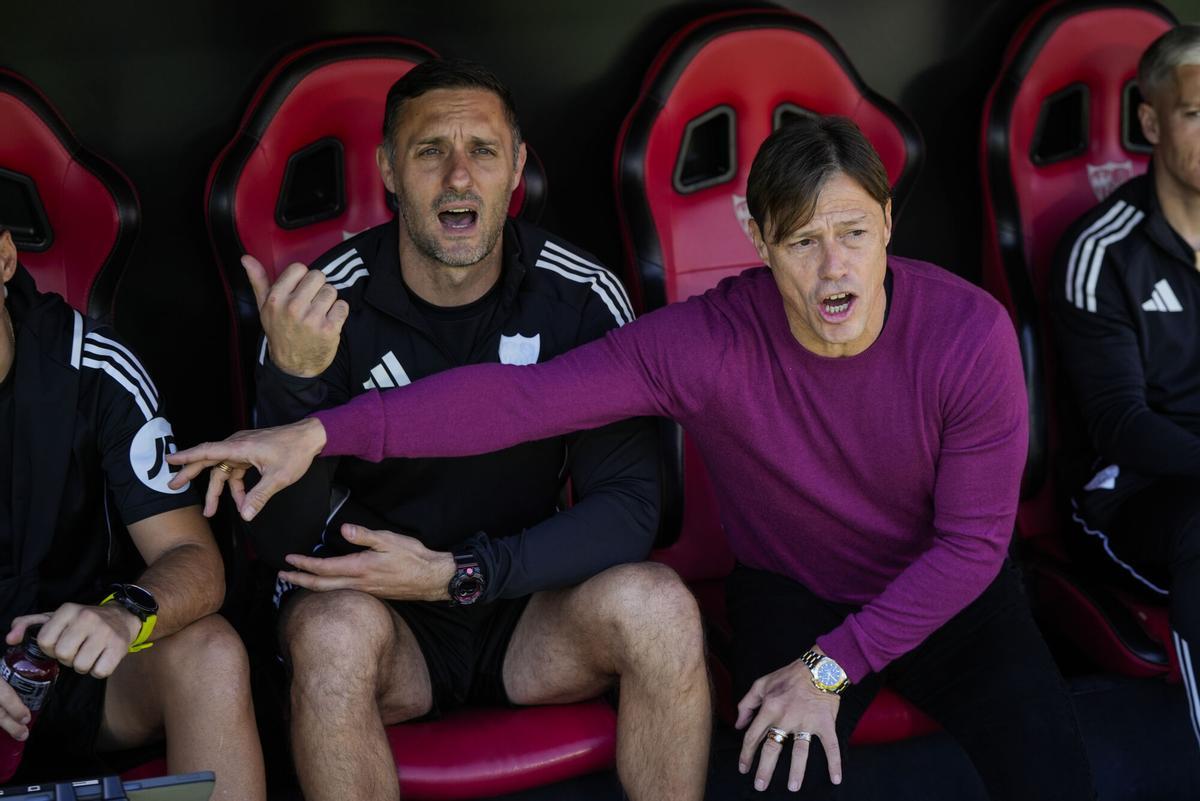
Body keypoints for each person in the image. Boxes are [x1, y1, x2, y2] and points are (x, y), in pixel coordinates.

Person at [171, 114, 1097, 799]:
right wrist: (320, 429)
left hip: (951, 596)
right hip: (798, 589)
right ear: (758, 241)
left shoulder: (967, 333)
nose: (834, 269)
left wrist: (831, 668)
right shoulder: (710, 339)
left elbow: (972, 550)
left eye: (854, 234)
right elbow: (518, 399)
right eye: (803, 242)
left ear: (889, 226)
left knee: (1056, 773)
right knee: (779, 777)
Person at [228, 59, 709, 801]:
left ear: (516, 167)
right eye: (430, 152)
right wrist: (294, 381)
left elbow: (630, 510)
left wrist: (468, 571)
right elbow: (271, 543)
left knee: (661, 606)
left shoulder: (578, 295)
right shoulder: (317, 306)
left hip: (527, 605)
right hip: (385, 618)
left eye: (482, 151)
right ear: (388, 169)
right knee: (328, 635)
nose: (459, 177)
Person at [0, 230, 264, 800]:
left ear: (2, 259)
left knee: (210, 653)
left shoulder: (93, 367)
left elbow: (192, 559)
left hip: (79, 666)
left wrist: (123, 615)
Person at [1052, 24, 1200, 749]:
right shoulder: (1101, 250)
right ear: (1151, 121)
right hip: (1128, 498)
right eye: (1195, 114)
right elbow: (1118, 423)